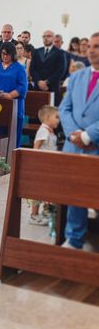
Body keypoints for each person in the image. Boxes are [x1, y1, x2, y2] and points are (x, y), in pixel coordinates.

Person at [59, 32, 99, 249]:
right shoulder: (77, 77)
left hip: (96, 147)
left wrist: (88, 135)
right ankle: (74, 239)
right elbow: (65, 109)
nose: (91, 50)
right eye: (90, 46)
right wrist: (75, 134)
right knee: (74, 194)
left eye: (97, 46)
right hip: (74, 146)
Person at [0, 42, 28, 148]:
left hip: (14, 105)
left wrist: (10, 95)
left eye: (8, 54)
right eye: (3, 53)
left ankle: (12, 159)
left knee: (12, 135)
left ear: (13, 54)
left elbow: (23, 86)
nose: (5, 56)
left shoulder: (19, 68)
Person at [28, 105, 59, 226]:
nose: (58, 120)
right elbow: (36, 146)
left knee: (47, 190)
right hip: (41, 166)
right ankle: (34, 215)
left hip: (49, 166)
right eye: (56, 117)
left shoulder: (49, 131)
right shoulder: (43, 130)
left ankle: (46, 212)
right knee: (38, 191)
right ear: (47, 117)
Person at [30, 30, 67, 102]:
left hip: (52, 86)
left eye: (48, 36)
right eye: (44, 36)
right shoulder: (37, 51)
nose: (46, 38)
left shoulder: (60, 52)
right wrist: (39, 81)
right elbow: (32, 69)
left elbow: (61, 70)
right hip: (38, 87)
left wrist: (47, 82)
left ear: (53, 38)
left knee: (52, 110)